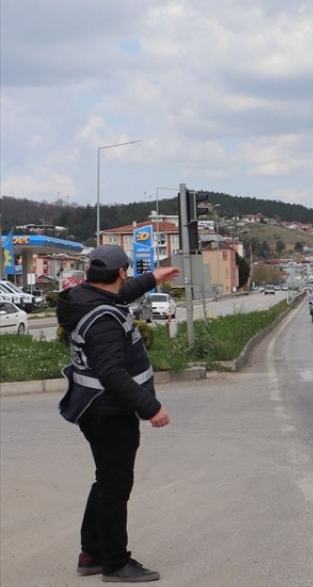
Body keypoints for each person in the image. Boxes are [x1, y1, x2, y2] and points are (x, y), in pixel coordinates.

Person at [57, 245, 180, 582]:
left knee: (106, 482)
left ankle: (91, 553)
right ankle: (114, 562)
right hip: (108, 412)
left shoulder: (86, 296)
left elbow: (121, 292)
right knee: (114, 488)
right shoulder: (103, 320)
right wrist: (150, 407)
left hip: (94, 406)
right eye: (126, 273)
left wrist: (153, 278)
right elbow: (112, 373)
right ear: (120, 272)